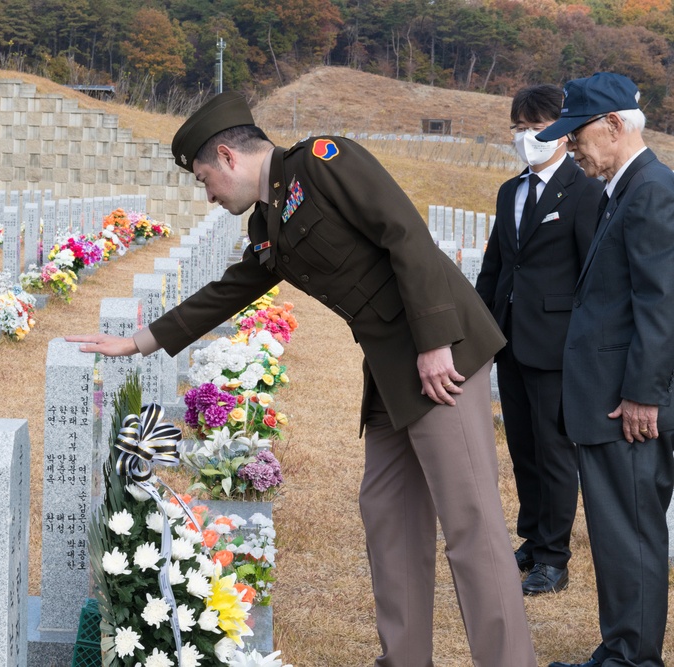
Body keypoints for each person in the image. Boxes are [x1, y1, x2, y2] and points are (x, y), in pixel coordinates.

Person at [68, 92, 537, 666]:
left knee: (471, 526)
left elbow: (405, 232)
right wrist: (140, 342)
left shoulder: (322, 161)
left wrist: (437, 341)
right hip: (391, 371)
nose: (208, 194)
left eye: (204, 178)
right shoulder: (270, 219)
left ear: (227, 156)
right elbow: (233, 288)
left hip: (442, 355)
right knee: (388, 515)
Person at [535, 72, 674, 667]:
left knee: (631, 534)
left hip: (628, 404)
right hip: (611, 396)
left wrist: (645, 393)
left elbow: (660, 299)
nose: (572, 148)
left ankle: (631, 659)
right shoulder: (626, 186)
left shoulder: (651, 189)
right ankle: (622, 647)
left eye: (579, 135)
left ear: (615, 125)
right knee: (621, 535)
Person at [475, 85, 603, 596]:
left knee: (554, 450)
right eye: (519, 129)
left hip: (557, 343)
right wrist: (480, 333)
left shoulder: (584, 189)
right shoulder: (511, 191)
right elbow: (496, 267)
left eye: (537, 128)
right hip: (510, 338)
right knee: (523, 447)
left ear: (564, 133)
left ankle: (554, 556)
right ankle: (531, 536)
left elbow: (593, 274)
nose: (527, 138)